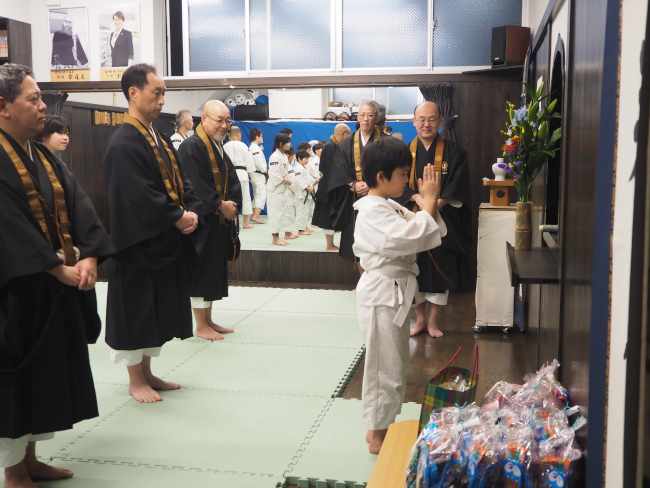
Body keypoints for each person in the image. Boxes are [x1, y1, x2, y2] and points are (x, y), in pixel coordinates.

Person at [0, 63, 112, 487]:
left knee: (44, 379)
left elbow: (79, 203)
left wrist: (90, 255)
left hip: (53, 287)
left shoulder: (42, 155)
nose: (43, 106)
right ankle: (13, 471)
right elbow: (7, 226)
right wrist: (54, 267)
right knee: (15, 381)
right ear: (3, 106)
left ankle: (30, 459)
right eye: (33, 99)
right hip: (15, 292)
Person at [103, 63, 200, 404]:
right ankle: (135, 379)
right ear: (133, 93)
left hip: (161, 240)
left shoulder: (156, 137)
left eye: (163, 93)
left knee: (154, 310)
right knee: (136, 310)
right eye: (156, 93)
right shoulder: (123, 142)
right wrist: (176, 216)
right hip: (136, 243)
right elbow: (137, 195)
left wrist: (189, 209)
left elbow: (178, 180)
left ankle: (147, 372)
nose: (162, 100)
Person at [353, 137, 445, 454]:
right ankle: (376, 434)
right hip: (382, 294)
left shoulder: (387, 205)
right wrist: (428, 203)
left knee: (394, 364)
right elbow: (410, 237)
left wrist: (428, 205)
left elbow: (427, 230)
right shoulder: (371, 211)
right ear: (381, 177)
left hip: (393, 292)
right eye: (403, 174)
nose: (407, 180)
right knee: (383, 368)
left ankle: (382, 426)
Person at [401, 101, 471, 338]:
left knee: (441, 268)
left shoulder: (455, 152)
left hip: (444, 217)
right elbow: (398, 183)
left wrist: (434, 204)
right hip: (412, 215)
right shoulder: (403, 152)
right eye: (421, 119)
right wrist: (419, 201)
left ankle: (433, 321)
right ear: (413, 121)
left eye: (431, 119)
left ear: (440, 121)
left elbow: (457, 185)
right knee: (413, 267)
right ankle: (419, 318)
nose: (426, 124)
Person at [178, 100, 242, 342]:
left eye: (227, 120)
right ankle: (201, 324)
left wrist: (233, 203)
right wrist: (219, 205)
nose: (224, 125)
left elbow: (231, 179)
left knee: (214, 270)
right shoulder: (191, 147)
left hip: (217, 219)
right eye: (219, 120)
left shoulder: (217, 146)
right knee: (201, 271)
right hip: (200, 219)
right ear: (203, 119)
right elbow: (194, 185)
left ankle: (209, 320)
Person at [329, 101, 383, 261]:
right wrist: (352, 184)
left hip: (379, 198)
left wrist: (373, 185)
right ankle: (360, 276)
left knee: (378, 245)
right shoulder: (345, 144)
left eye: (370, 115)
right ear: (357, 117)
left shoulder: (386, 142)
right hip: (353, 199)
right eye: (362, 115)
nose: (366, 119)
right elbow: (338, 168)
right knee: (355, 245)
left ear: (376, 118)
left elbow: (392, 169)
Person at [312, 123, 351, 251]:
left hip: (334, 187)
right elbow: (330, 169)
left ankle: (331, 244)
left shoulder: (335, 145)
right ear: (344, 133)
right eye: (348, 135)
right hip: (329, 189)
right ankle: (329, 245)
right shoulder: (330, 147)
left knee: (332, 218)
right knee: (327, 218)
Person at [267, 133, 296, 245]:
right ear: (280, 144)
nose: (290, 145)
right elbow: (273, 174)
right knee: (275, 214)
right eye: (287, 142)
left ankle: (280, 236)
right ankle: (275, 239)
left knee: (281, 214)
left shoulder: (283, 156)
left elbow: (287, 172)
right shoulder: (275, 156)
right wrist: (285, 180)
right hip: (275, 190)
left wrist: (289, 180)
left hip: (282, 189)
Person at [224, 126, 255, 230]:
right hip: (242, 174)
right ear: (239, 134)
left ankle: (231, 220)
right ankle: (246, 223)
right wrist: (250, 173)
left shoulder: (225, 146)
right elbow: (250, 163)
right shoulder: (243, 146)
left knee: (230, 198)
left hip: (230, 174)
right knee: (246, 198)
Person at [293, 149, 316, 235]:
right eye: (305, 158)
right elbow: (299, 181)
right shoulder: (297, 168)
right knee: (301, 212)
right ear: (299, 158)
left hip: (307, 193)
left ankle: (305, 227)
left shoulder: (304, 168)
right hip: (301, 194)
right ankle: (300, 230)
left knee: (306, 212)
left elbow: (309, 179)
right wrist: (307, 187)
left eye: (308, 159)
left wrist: (313, 183)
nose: (307, 160)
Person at [249, 128, 267, 224]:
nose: (262, 138)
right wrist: (265, 171)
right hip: (258, 173)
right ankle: (256, 216)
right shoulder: (255, 148)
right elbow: (259, 163)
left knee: (257, 194)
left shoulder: (255, 147)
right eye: (261, 136)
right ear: (257, 137)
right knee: (261, 194)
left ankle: (254, 215)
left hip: (256, 174)